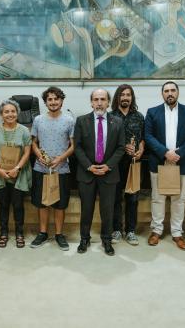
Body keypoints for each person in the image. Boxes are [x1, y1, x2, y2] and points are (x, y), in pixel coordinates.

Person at [145, 81, 185, 250]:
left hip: (181, 163)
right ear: (162, 94)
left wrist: (179, 153)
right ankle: (156, 231)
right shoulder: (152, 112)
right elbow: (148, 136)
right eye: (166, 91)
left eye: (173, 90)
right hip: (159, 163)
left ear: (178, 92)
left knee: (179, 199)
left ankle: (177, 233)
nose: (170, 93)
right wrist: (164, 152)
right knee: (158, 198)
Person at [74, 88, 125, 256]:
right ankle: (84, 238)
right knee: (86, 208)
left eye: (103, 99)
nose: (99, 103)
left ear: (108, 102)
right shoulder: (81, 121)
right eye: (96, 99)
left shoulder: (117, 122)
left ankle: (107, 240)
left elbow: (120, 148)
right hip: (87, 173)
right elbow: (78, 147)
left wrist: (108, 166)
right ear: (91, 102)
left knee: (107, 209)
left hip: (108, 173)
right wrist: (89, 166)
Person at [30, 86, 74, 251]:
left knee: (60, 204)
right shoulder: (38, 120)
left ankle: (59, 234)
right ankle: (42, 233)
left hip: (61, 168)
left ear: (61, 100)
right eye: (50, 99)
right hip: (41, 168)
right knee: (42, 203)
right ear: (46, 102)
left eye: (56, 99)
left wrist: (61, 158)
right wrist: (39, 156)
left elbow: (73, 145)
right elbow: (33, 142)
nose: (53, 102)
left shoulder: (69, 120)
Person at [0, 100, 32, 248]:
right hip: (0, 174)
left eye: (13, 111)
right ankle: (4, 233)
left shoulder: (24, 131)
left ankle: (19, 233)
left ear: (17, 113)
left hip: (19, 174)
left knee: (18, 205)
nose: (10, 114)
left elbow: (27, 152)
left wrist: (17, 168)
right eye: (6, 112)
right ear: (1, 114)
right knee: (3, 204)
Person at [111, 84, 145, 245]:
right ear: (117, 97)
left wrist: (141, 149)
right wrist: (124, 146)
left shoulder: (139, 116)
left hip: (134, 163)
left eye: (128, 95)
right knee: (116, 197)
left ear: (132, 98)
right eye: (122, 94)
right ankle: (116, 229)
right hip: (116, 164)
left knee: (133, 197)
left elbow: (144, 137)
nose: (125, 97)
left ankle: (130, 231)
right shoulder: (110, 116)